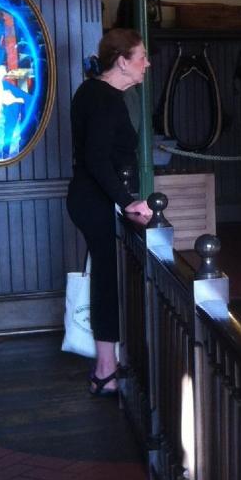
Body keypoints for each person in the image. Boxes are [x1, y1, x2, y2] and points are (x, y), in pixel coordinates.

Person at [66, 28, 153, 395]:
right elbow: (98, 160)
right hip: (96, 200)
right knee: (106, 279)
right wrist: (127, 201)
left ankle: (108, 365)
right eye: (141, 57)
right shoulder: (104, 98)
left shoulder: (94, 91)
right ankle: (105, 370)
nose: (147, 63)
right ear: (122, 62)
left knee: (107, 276)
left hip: (92, 198)